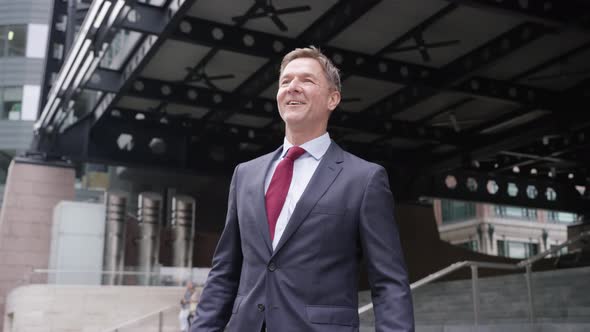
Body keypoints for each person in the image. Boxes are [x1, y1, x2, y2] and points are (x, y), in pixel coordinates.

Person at [191, 46, 414, 331]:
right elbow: (224, 273)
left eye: (306, 80)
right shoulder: (245, 174)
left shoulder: (365, 179)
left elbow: (389, 283)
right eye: (285, 82)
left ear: (333, 98)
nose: (292, 87)